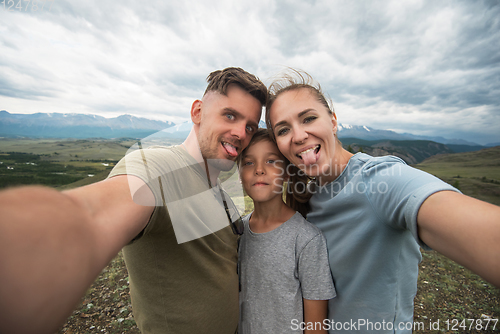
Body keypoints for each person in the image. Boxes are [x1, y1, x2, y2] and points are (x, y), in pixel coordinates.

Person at [0, 67, 267, 334]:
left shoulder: (216, 185)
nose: (241, 133)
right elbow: (90, 215)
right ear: (197, 112)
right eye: (230, 115)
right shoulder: (157, 167)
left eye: (250, 127)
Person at [265, 69, 500, 334]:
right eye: (284, 130)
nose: (298, 136)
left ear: (333, 122)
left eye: (308, 118)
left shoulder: (379, 179)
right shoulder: (310, 196)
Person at [237, 129, 336, 333]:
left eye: (271, 161)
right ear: (239, 173)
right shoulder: (236, 232)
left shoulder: (307, 239)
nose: (259, 170)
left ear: (287, 172)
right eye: (248, 162)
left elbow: (316, 327)